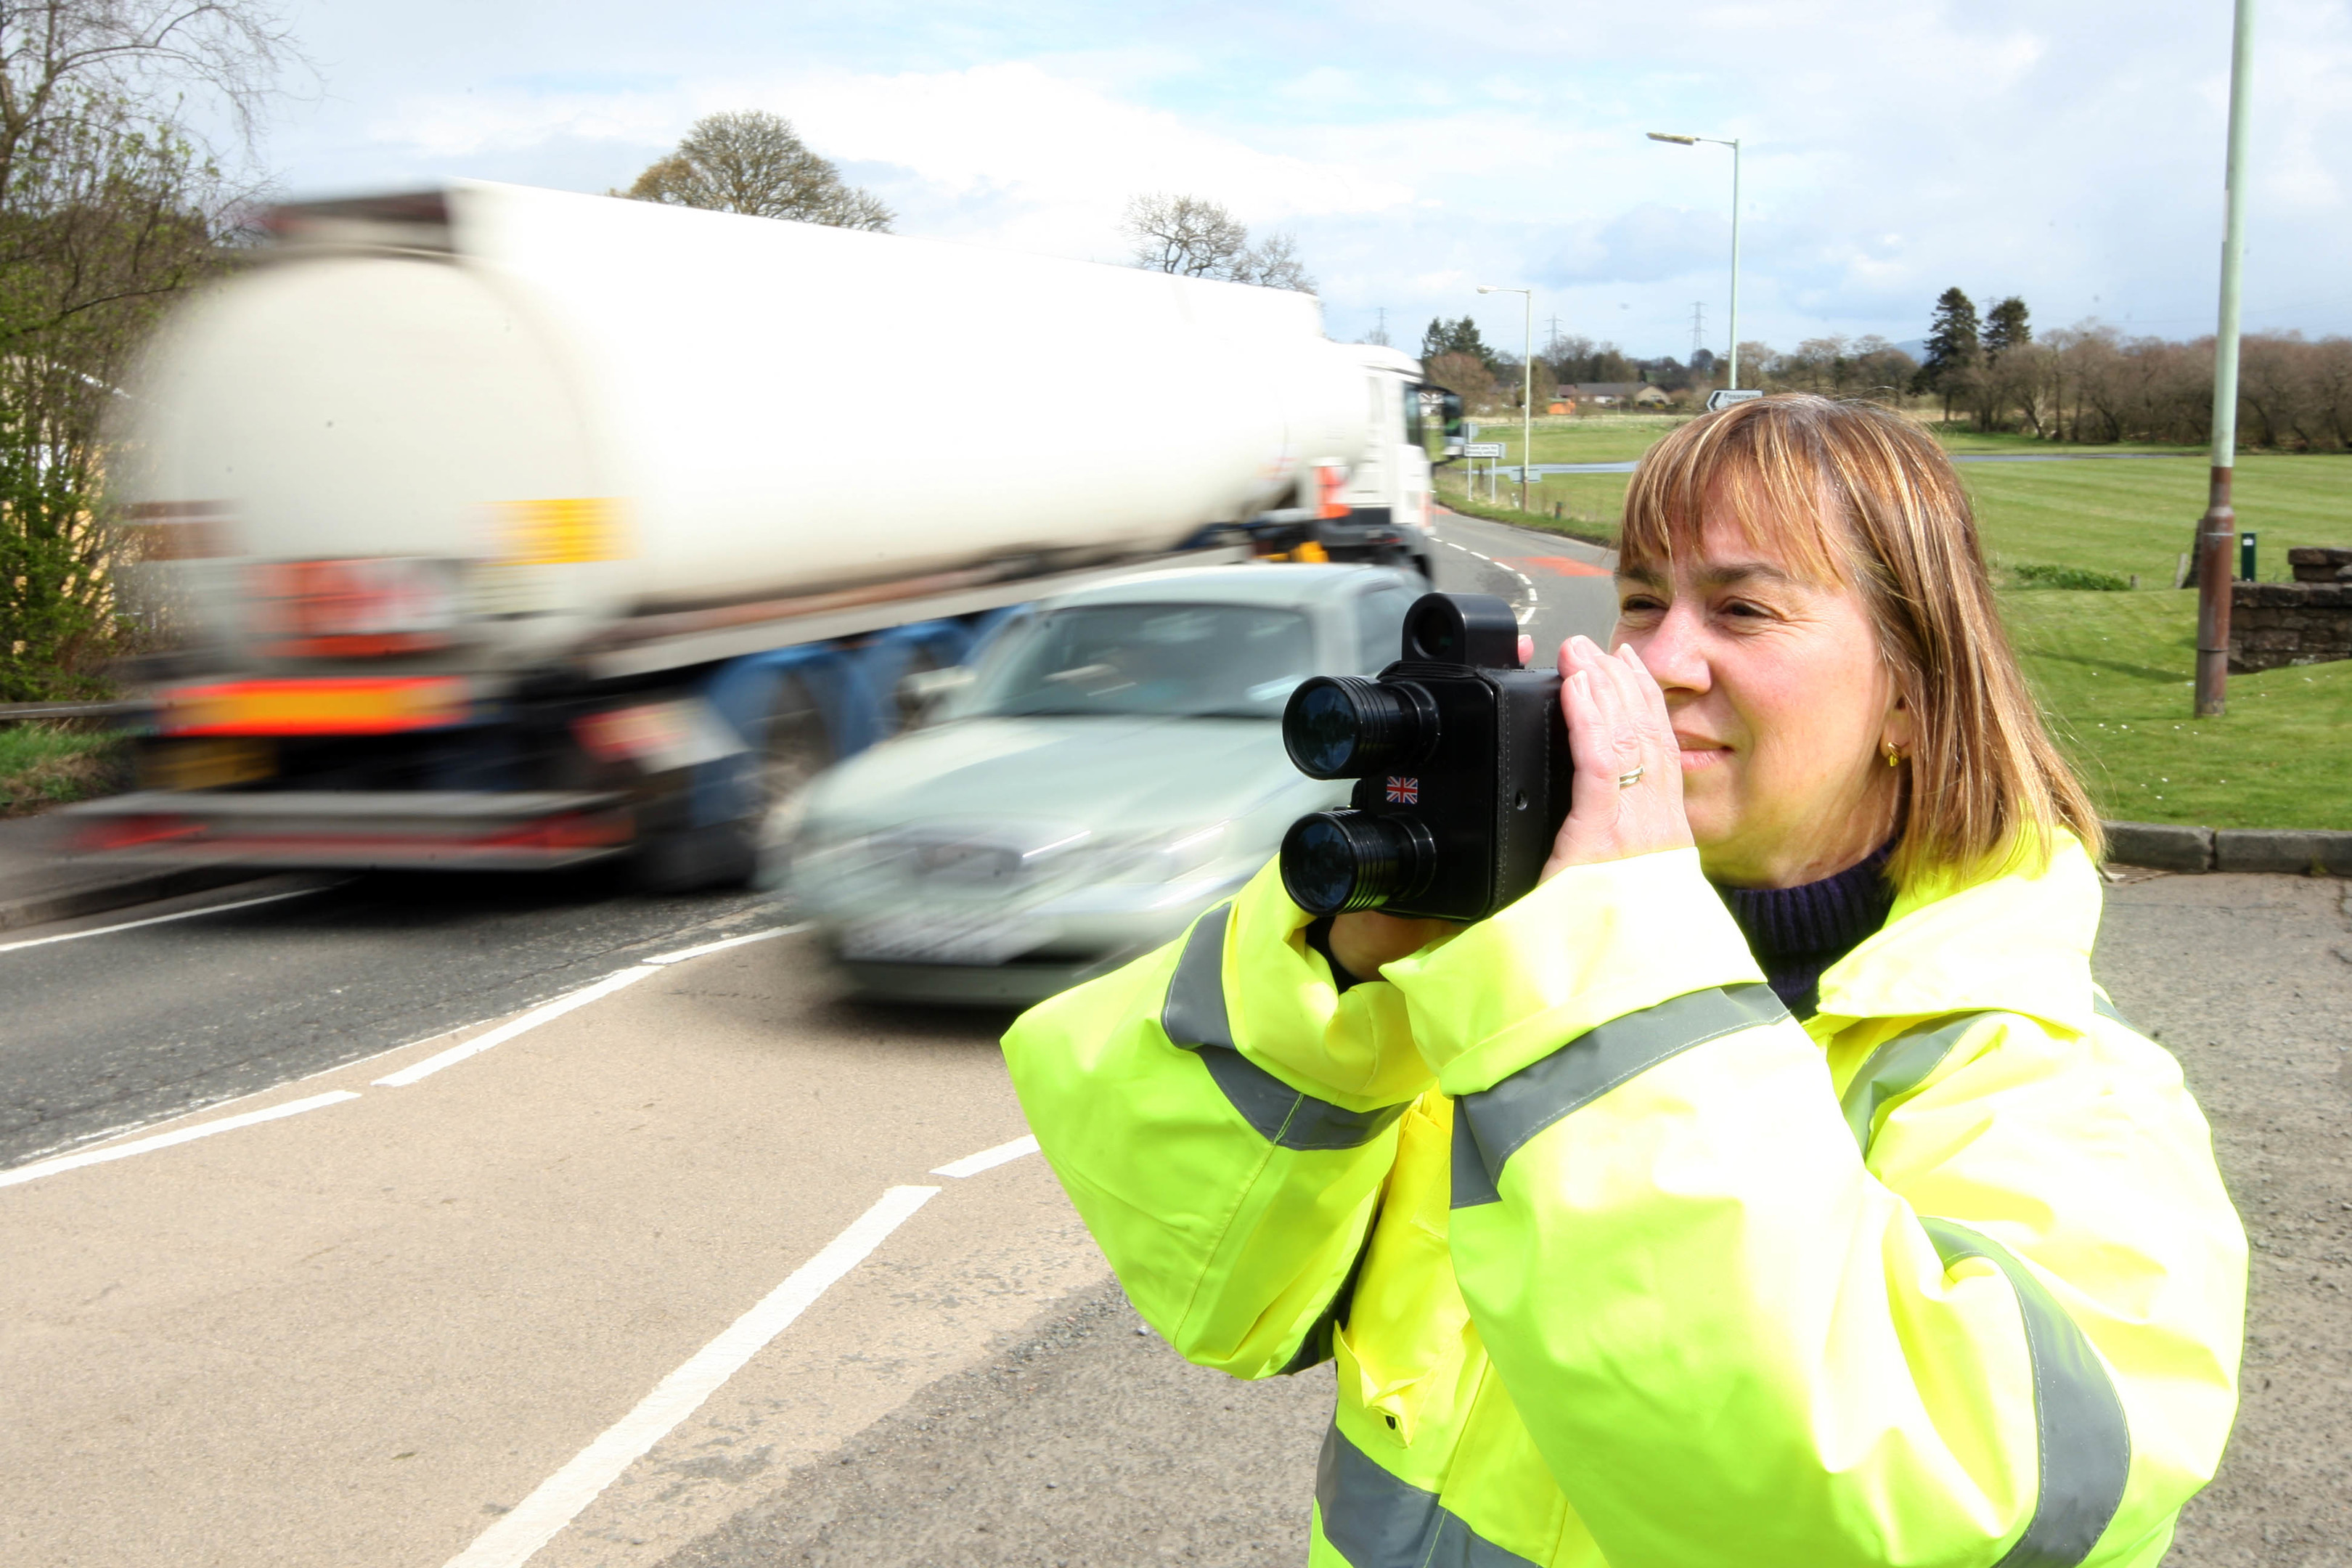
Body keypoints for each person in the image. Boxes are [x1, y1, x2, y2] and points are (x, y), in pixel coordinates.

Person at [1002, 394, 2245, 1567]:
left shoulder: (2059, 1093)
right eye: (1643, 603)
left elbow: (1906, 1497)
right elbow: (1212, 1284)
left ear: (1913, 698)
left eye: (1744, 613)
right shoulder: (1524, 981)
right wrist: (1342, 973)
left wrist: (1609, 960)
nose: (1660, 662)